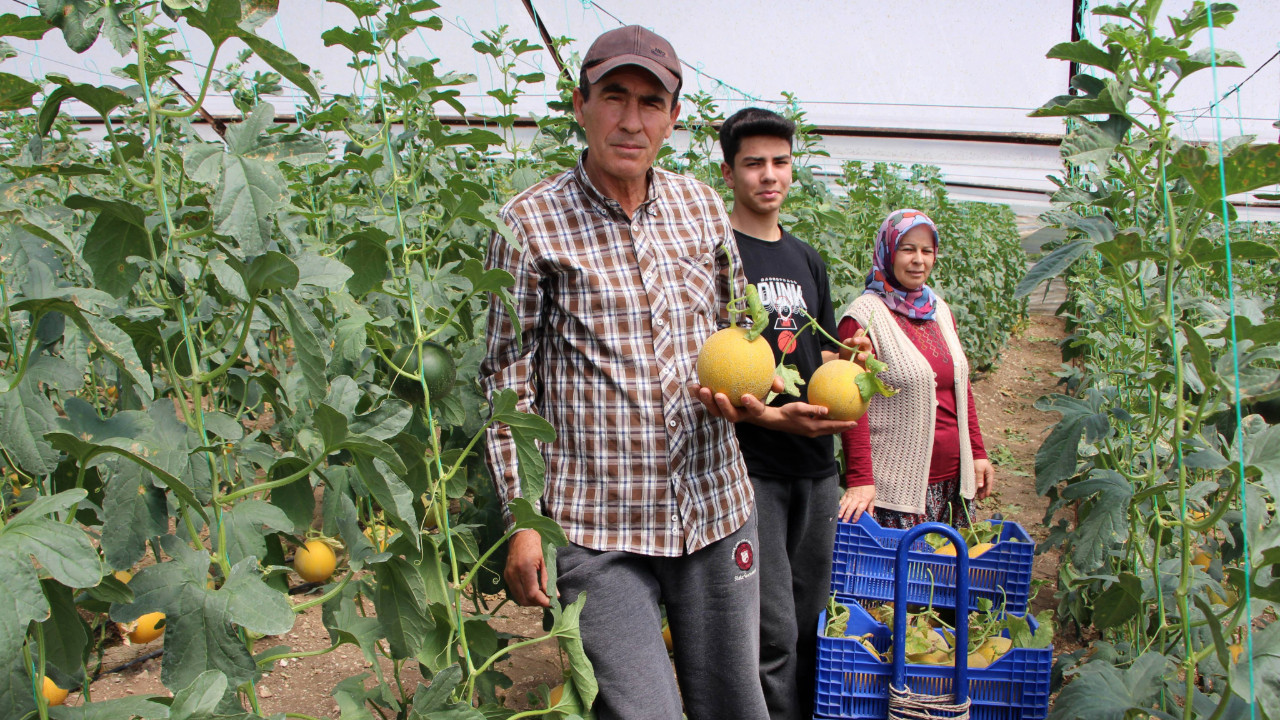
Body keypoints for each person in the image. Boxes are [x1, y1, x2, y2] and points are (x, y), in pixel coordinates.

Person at [480, 25, 769, 720]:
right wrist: (523, 521)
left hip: (715, 509)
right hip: (596, 528)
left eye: (650, 103)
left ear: (673, 119)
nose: (631, 120)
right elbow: (505, 376)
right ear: (580, 104)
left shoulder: (702, 206)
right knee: (643, 711)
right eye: (614, 97)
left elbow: (741, 329)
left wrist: (761, 398)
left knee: (736, 704)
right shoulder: (527, 222)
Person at [684, 107, 853, 720]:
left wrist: (852, 360)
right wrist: (767, 418)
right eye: (753, 163)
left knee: (811, 617)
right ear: (728, 172)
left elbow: (827, 350)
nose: (768, 175)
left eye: (779, 162)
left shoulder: (807, 259)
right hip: (752, 466)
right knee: (772, 628)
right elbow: (708, 368)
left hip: (817, 463)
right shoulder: (717, 256)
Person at [835, 209, 994, 529]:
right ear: (888, 251)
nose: (919, 259)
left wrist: (977, 453)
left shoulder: (939, 309)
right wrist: (860, 478)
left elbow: (961, 387)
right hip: (896, 492)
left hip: (953, 484)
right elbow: (851, 406)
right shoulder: (863, 317)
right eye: (908, 249)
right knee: (903, 578)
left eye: (927, 250)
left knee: (947, 575)